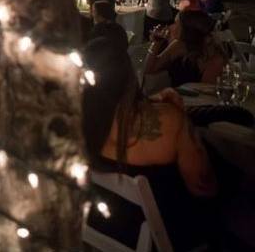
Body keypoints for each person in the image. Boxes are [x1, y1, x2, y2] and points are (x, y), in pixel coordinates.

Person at [82, 38, 217, 251]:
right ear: (129, 76)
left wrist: (150, 101)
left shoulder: (77, 121)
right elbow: (204, 189)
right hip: (162, 237)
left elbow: (110, 106)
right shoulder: (171, 121)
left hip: (100, 226)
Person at [143, 10, 226, 86]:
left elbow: (205, 89)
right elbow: (149, 69)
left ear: (187, 30)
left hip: (198, 100)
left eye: (176, 23)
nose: (171, 26)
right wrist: (156, 42)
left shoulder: (211, 54)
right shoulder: (178, 45)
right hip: (174, 97)